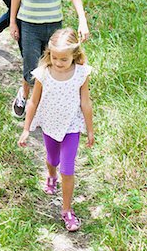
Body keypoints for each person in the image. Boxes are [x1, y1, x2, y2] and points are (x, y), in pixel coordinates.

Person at [18, 28, 94, 231]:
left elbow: (86, 103)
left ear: (74, 56)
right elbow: (33, 102)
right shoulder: (43, 73)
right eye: (54, 57)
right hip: (50, 124)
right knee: (53, 160)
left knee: (67, 168)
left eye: (64, 59)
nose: (58, 63)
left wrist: (90, 129)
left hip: (72, 126)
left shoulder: (81, 74)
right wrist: (26, 128)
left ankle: (67, 210)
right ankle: (51, 176)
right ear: (49, 54)